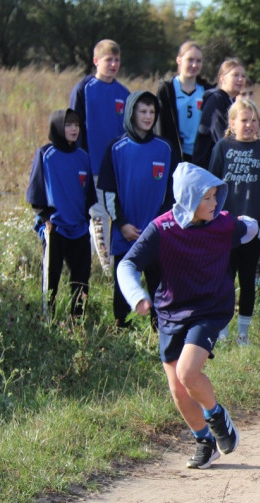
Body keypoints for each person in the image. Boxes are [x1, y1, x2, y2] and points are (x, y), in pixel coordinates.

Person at [116, 162, 259, 469]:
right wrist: (137, 296)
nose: (214, 203)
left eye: (214, 196)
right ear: (188, 199)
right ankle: (205, 442)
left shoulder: (222, 224)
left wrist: (249, 221)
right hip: (170, 313)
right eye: (206, 198)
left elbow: (249, 228)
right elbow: (127, 265)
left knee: (187, 373)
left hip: (209, 309)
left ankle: (217, 415)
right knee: (178, 389)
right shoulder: (162, 228)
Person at [96, 90, 173, 328]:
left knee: (160, 285)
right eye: (143, 111)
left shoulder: (166, 148)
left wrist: (159, 225)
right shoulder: (116, 148)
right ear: (131, 113)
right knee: (124, 286)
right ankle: (122, 330)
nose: (148, 116)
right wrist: (122, 224)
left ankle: (160, 332)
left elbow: (173, 191)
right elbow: (108, 193)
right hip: (125, 231)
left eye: (152, 112)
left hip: (156, 232)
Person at [208, 98, 260, 345]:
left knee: (248, 280)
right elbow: (212, 187)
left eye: (253, 120)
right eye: (244, 120)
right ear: (233, 123)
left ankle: (243, 332)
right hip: (225, 226)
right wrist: (211, 221)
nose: (249, 125)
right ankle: (222, 329)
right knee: (224, 279)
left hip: (253, 229)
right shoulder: (223, 147)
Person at [26, 109, 97, 317]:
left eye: (76, 125)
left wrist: (86, 218)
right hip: (55, 227)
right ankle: (48, 320)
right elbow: (35, 191)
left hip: (79, 227)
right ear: (57, 127)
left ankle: (77, 320)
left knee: (81, 279)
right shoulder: (46, 154)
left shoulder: (83, 157)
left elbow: (89, 194)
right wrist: (46, 218)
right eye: (68, 125)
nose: (73, 129)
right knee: (51, 277)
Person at [69, 39, 129, 177]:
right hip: (91, 164)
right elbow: (73, 127)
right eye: (108, 60)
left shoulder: (124, 93)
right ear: (96, 61)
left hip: (117, 164)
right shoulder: (84, 89)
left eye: (117, 60)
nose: (114, 64)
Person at [155, 40, 210, 171]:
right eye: (190, 60)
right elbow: (161, 126)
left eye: (198, 61)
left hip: (200, 157)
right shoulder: (167, 89)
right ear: (179, 60)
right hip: (176, 157)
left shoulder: (207, 90)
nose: (194, 64)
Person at [192, 58, 247, 170]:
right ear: (222, 78)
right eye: (235, 75)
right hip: (207, 170)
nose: (240, 79)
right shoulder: (217, 100)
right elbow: (223, 135)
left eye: (243, 76)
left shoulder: (231, 101)